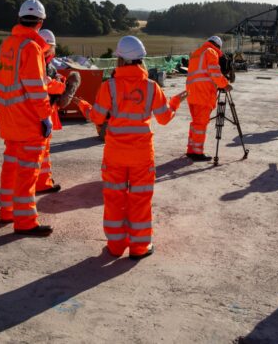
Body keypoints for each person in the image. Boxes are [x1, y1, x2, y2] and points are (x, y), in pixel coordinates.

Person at [77, 36, 186, 259]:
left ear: (119, 59)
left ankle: (116, 247)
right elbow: (164, 118)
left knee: (114, 200)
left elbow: (97, 118)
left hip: (115, 154)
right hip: (142, 156)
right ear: (141, 60)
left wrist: (84, 107)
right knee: (140, 201)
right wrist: (174, 102)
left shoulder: (109, 87)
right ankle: (140, 247)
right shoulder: (151, 87)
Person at [0, 0, 55, 236]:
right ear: (40, 23)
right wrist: (45, 117)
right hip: (28, 122)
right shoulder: (31, 47)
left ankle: (7, 212)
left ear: (19, 18)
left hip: (8, 120)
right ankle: (25, 222)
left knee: (10, 168)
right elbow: (35, 87)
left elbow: (8, 83)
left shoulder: (7, 45)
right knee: (27, 174)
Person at [184, 36, 231, 162]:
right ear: (218, 46)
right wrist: (224, 84)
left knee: (195, 123)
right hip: (203, 93)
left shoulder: (196, 53)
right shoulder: (211, 52)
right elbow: (214, 72)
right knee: (200, 124)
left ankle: (191, 150)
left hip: (192, 93)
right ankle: (197, 152)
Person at [34, 28, 67, 194]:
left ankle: (41, 182)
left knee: (40, 152)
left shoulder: (36, 61)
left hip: (34, 113)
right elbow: (48, 86)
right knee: (40, 152)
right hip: (41, 114)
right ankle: (40, 183)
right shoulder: (41, 65)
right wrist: (61, 85)